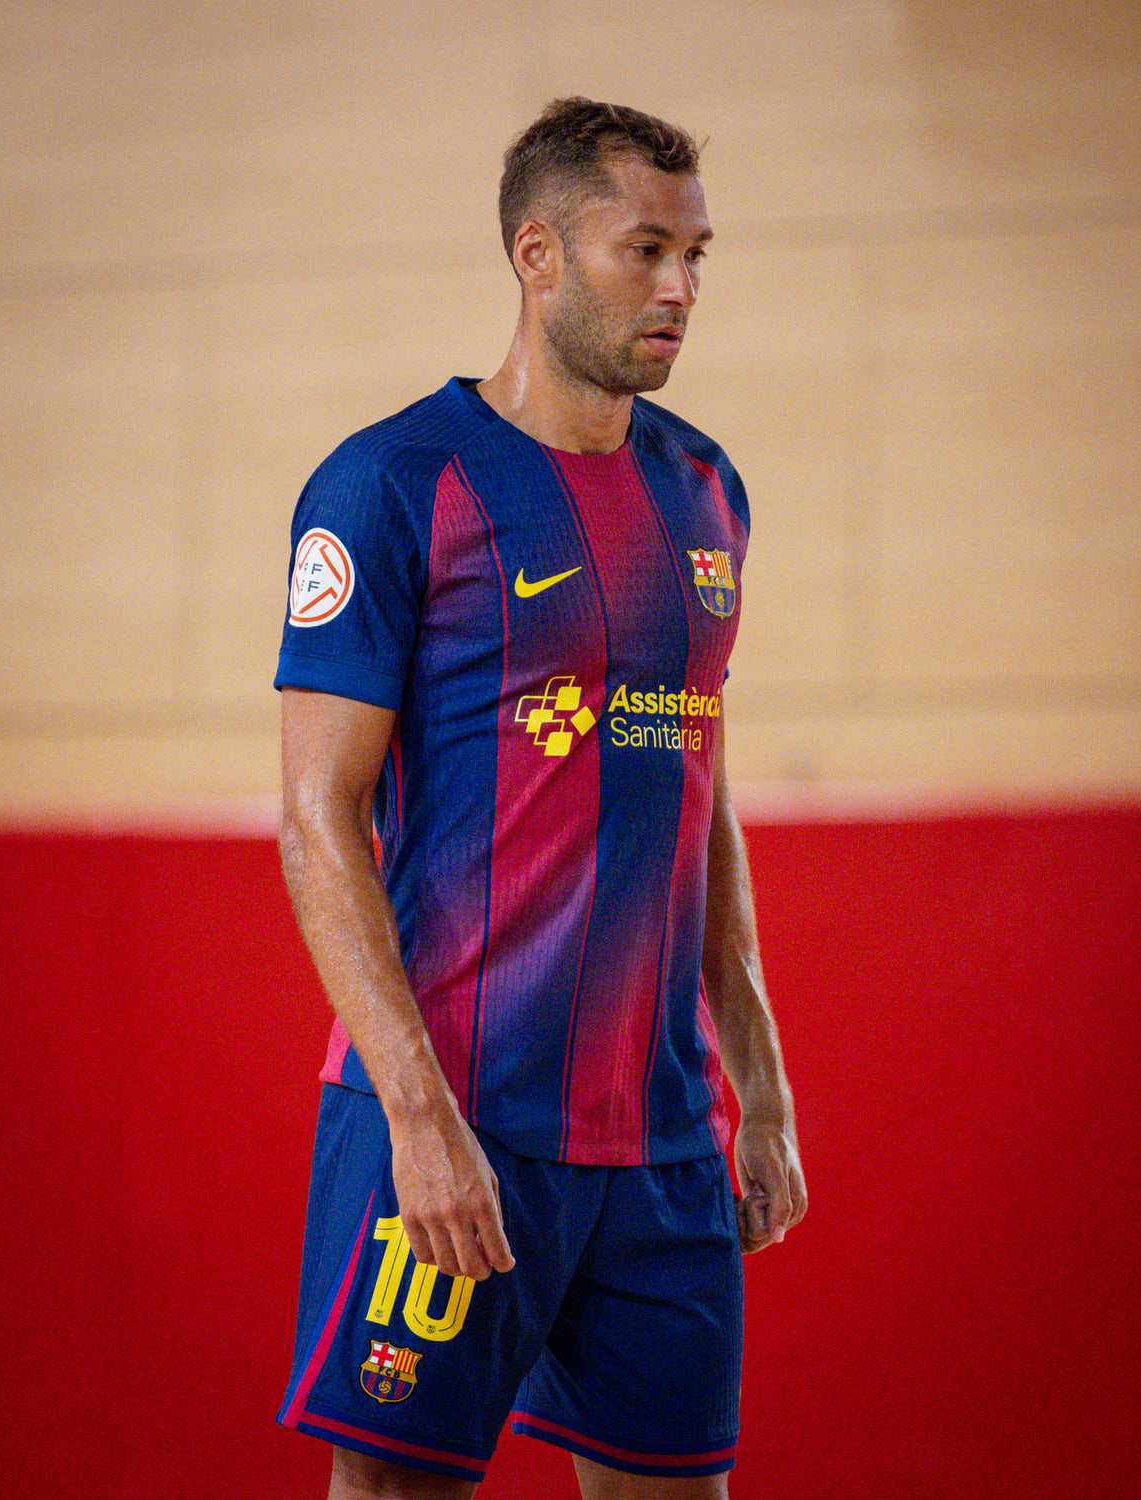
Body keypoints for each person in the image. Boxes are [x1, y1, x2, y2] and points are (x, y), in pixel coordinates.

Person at [274, 97, 806, 1500]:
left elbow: (703, 780)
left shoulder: (707, 492)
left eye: (699, 254)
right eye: (646, 251)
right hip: (459, 1120)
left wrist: (756, 1075)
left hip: (664, 1138)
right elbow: (316, 823)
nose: (683, 289)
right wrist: (417, 1116)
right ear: (538, 255)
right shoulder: (392, 485)